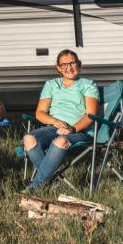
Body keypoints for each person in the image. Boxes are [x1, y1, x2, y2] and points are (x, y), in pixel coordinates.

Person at [23, 49, 99, 190]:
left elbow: (90, 115)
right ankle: (51, 183)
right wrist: (53, 121)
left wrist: (72, 129)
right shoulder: (51, 85)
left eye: (72, 63)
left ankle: (35, 187)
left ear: (79, 65)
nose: (69, 68)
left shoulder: (88, 85)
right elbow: (40, 113)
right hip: (53, 128)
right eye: (64, 65)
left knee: (61, 141)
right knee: (29, 139)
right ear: (58, 68)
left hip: (79, 131)